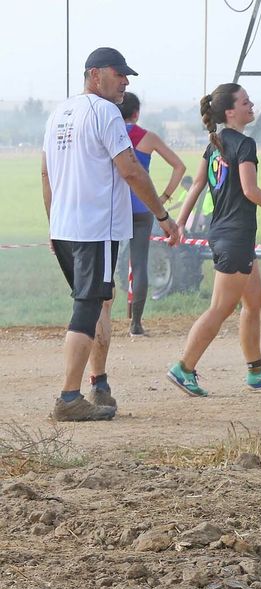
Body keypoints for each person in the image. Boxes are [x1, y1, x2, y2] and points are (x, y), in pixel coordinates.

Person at [42, 47, 181, 422]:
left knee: (101, 301)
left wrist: (53, 223)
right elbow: (131, 169)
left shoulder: (59, 113)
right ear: (94, 75)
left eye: (127, 75)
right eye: (118, 73)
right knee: (88, 307)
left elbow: (45, 173)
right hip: (95, 229)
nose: (125, 81)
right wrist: (164, 216)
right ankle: (69, 398)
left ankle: (99, 384)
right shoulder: (105, 112)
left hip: (66, 228)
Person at [168, 83, 261, 398]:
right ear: (230, 111)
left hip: (225, 235)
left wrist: (181, 221)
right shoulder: (244, 144)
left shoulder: (215, 143)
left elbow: (198, 184)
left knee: (254, 301)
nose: (251, 104)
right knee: (219, 308)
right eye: (245, 101)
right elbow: (250, 190)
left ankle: (257, 370)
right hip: (236, 237)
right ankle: (184, 368)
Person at [115, 92, 183, 337]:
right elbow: (179, 166)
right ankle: (136, 324)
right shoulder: (148, 137)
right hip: (142, 207)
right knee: (140, 263)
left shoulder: (109, 134)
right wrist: (162, 198)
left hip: (112, 207)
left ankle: (98, 318)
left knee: (106, 263)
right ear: (137, 113)